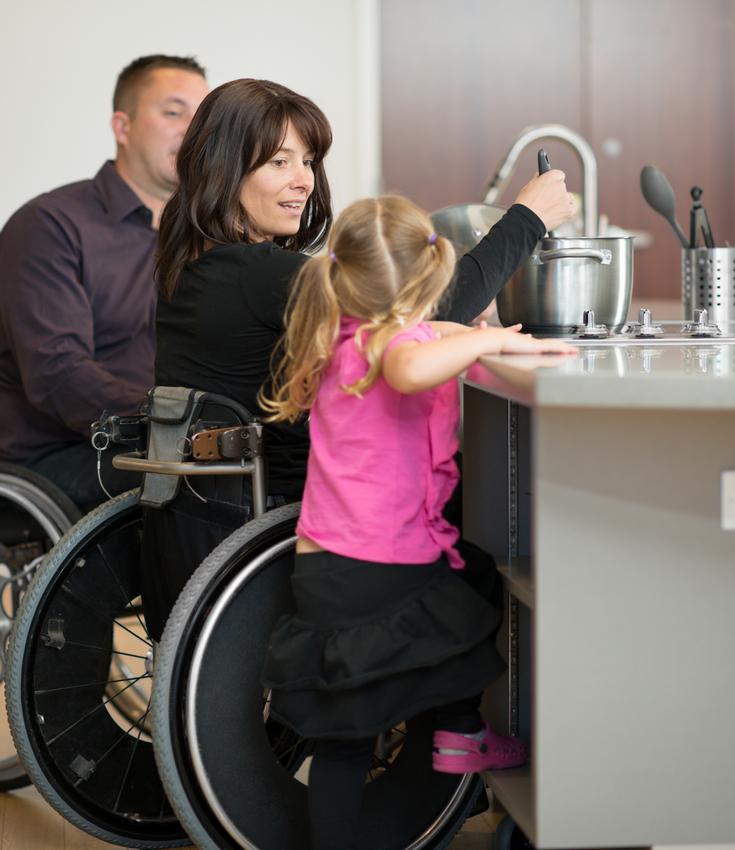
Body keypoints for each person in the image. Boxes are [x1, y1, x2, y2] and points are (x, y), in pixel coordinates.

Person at [145, 77, 575, 639]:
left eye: (308, 160)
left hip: (214, 502)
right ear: (224, 169)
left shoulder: (197, 264)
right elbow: (425, 302)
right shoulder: (259, 273)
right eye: (279, 163)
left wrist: (435, 327)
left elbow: (396, 318)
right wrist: (527, 218)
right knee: (498, 506)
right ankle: (458, 713)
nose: (303, 181)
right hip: (304, 508)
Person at [258, 195, 575, 850]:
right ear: (425, 280)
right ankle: (459, 731)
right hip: (373, 565)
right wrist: (488, 336)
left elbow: (429, 336)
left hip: (336, 566)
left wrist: (491, 339)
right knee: (454, 620)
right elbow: (409, 364)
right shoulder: (391, 349)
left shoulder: (347, 332)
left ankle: (460, 732)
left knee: (357, 729)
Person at [0, 54, 209, 511]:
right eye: (174, 112)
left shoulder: (208, 238)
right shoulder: (50, 225)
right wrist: (171, 421)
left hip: (170, 443)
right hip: (59, 456)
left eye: (202, 116)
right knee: (204, 489)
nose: (192, 130)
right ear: (122, 125)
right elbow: (58, 373)